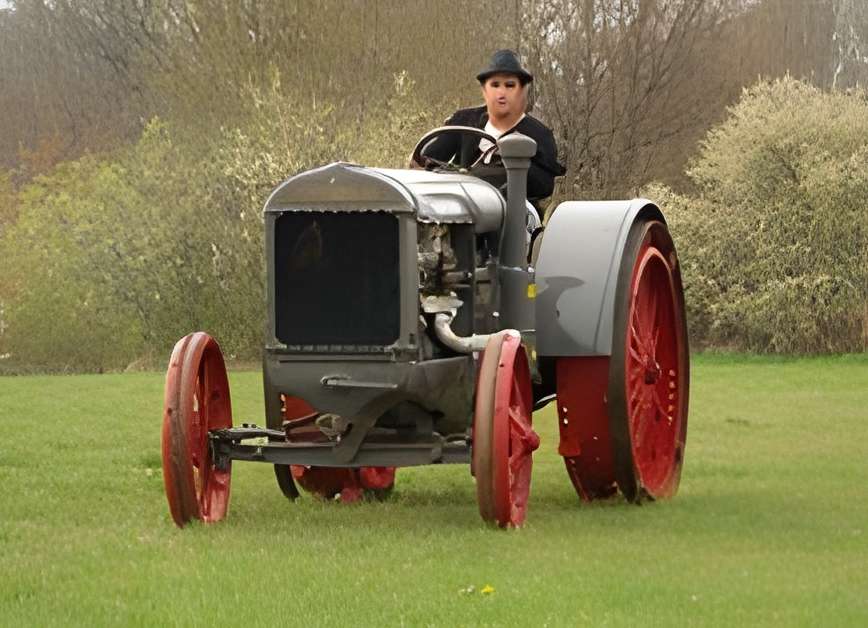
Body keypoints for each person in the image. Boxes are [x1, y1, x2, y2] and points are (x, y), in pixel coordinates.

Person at [423, 49, 566, 203]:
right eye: (495, 85)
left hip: (513, 212)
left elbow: (544, 186)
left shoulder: (539, 135)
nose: (501, 93)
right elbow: (428, 159)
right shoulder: (464, 120)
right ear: (485, 90)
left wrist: (511, 162)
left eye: (510, 85)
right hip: (462, 203)